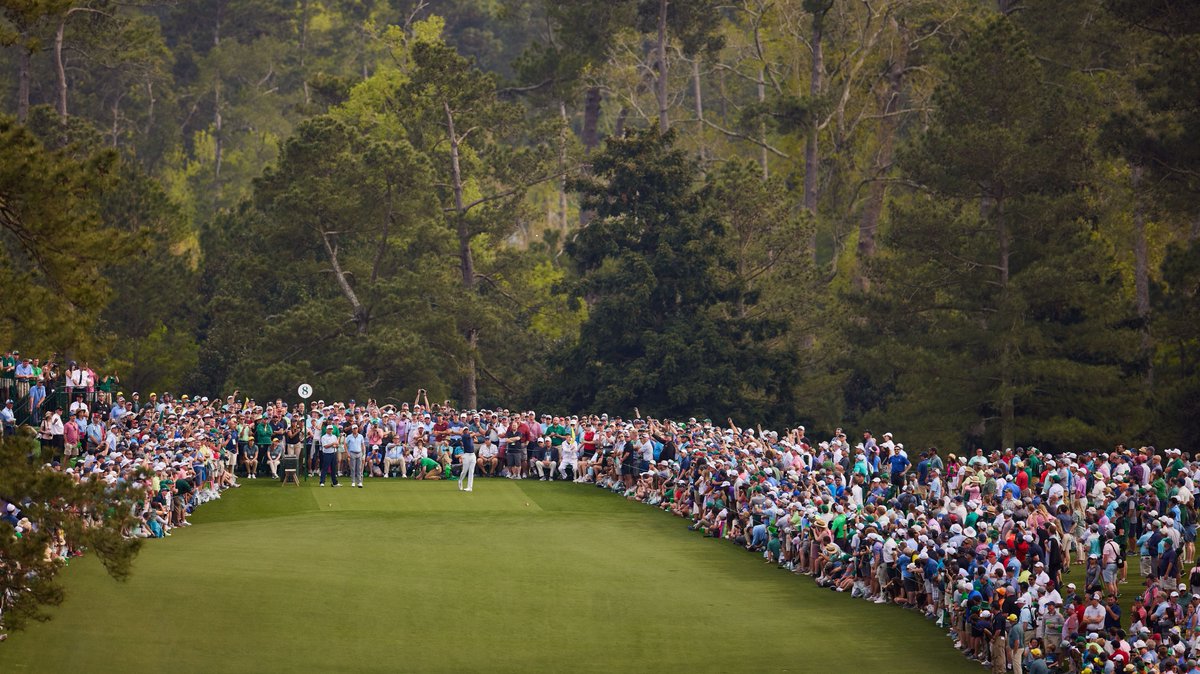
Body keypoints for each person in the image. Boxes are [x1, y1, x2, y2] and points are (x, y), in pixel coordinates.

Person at [458, 423, 476, 492]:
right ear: (463, 431)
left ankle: (469, 487)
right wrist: (473, 433)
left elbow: (475, 439)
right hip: (466, 455)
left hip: (472, 455)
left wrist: (473, 434)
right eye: (465, 430)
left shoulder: (470, 436)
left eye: (467, 430)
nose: (466, 431)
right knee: (464, 471)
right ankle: (460, 480)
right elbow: (473, 434)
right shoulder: (464, 436)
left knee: (471, 471)